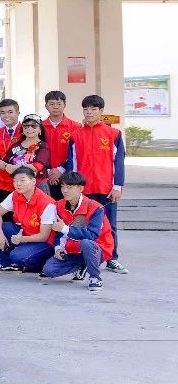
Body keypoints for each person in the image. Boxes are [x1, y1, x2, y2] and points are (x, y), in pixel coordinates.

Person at [66, 94, 127, 274]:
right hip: (84, 191)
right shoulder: (76, 135)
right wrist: (73, 188)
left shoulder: (113, 134)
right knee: (82, 225)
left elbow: (118, 162)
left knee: (109, 225)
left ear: (101, 111)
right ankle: (84, 260)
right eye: (86, 109)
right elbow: (72, 164)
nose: (89, 112)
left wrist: (117, 187)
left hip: (106, 189)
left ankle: (111, 258)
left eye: (93, 109)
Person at [39, 172, 112, 293]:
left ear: (80, 188)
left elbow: (92, 236)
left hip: (96, 249)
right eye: (62, 186)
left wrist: (65, 229)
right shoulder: (59, 205)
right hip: (72, 251)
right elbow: (57, 232)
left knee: (86, 243)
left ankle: (95, 277)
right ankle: (83, 266)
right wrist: (58, 248)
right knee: (49, 270)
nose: (64, 190)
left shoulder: (96, 208)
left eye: (69, 187)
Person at [0, 166, 56, 274]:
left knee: (17, 256)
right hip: (24, 233)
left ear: (33, 181)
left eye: (22, 180)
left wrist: (22, 239)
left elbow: (44, 236)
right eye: (15, 181)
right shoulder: (15, 195)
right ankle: (7, 264)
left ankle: (40, 265)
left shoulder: (46, 203)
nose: (18, 184)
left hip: (43, 242)